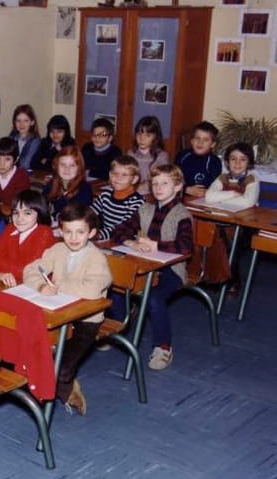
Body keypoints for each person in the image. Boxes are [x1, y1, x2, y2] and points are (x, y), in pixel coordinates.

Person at [23, 203, 111, 415]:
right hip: (59, 313)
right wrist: (41, 285)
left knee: (61, 368)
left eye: (80, 232)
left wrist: (59, 286)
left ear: (91, 233)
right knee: (30, 350)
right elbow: (31, 270)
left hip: (86, 319)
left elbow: (93, 289)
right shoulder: (57, 250)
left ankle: (66, 385)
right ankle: (44, 386)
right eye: (68, 232)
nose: (73, 237)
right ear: (60, 232)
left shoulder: (96, 257)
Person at [111, 165, 193, 370]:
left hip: (171, 270)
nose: (158, 188)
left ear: (178, 187)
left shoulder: (182, 214)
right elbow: (119, 230)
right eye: (155, 183)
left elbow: (185, 247)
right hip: (145, 264)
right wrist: (130, 242)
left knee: (154, 297)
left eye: (164, 183)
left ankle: (163, 346)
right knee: (116, 283)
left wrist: (157, 246)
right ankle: (117, 328)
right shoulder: (145, 209)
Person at [205, 142, 260, 295]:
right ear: (227, 162)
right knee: (211, 236)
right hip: (223, 220)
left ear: (249, 163)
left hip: (245, 225)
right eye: (233, 159)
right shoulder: (222, 177)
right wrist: (234, 194)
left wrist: (221, 197)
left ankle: (232, 280)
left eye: (243, 159)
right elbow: (209, 197)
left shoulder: (252, 179)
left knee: (229, 244)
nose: (237, 163)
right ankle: (215, 276)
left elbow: (247, 202)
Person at [0, 190, 54, 287]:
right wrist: (0, 275)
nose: (19, 218)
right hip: (14, 286)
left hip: (39, 287)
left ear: (39, 214)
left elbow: (29, 271)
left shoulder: (44, 233)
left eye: (27, 213)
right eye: (16, 213)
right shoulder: (10, 228)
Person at [90, 155, 145, 241]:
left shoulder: (137, 201)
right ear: (110, 175)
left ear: (134, 179)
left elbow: (123, 227)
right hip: (107, 238)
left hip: (127, 241)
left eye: (124, 175)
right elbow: (89, 213)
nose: (118, 178)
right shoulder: (105, 195)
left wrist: (99, 235)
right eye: (115, 173)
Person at [175, 121, 223, 197]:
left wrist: (207, 191)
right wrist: (185, 189)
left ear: (213, 144)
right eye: (197, 138)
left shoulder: (214, 162)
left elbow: (216, 187)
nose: (200, 142)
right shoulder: (182, 156)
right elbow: (171, 179)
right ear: (192, 141)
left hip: (202, 199)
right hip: (179, 196)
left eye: (206, 139)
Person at [43, 146, 92, 219]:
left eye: (72, 166)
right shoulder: (51, 184)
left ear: (79, 168)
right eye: (63, 165)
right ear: (57, 166)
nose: (67, 169)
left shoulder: (84, 189)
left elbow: (75, 216)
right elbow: (42, 208)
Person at [0, 137, 31, 207]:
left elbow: (19, 204)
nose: (2, 164)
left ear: (16, 159)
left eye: (7, 159)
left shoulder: (22, 177)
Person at [128, 116, 169, 195]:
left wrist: (142, 186)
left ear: (155, 137)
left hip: (152, 193)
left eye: (147, 135)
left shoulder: (161, 156)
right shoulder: (131, 153)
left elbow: (161, 180)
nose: (142, 139)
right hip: (131, 191)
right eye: (139, 134)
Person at [7, 104, 41, 172]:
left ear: (32, 122)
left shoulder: (35, 141)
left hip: (26, 173)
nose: (21, 124)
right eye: (18, 121)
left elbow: (25, 164)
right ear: (14, 122)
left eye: (26, 121)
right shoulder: (11, 138)